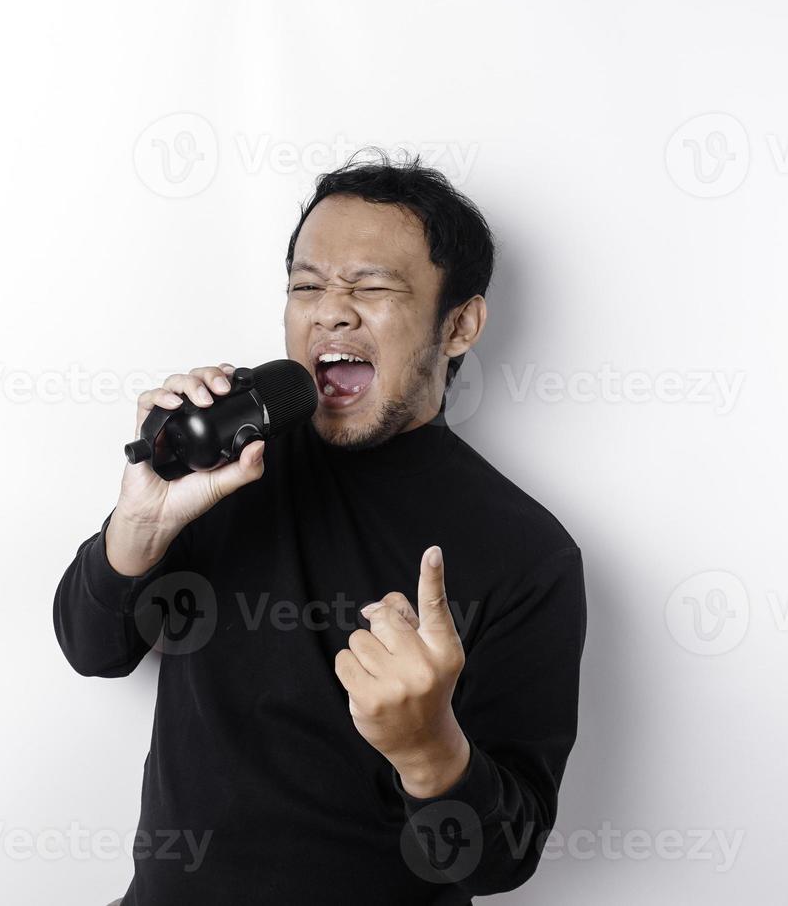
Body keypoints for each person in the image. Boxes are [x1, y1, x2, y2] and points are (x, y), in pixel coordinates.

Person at [54, 150, 586, 905]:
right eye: (306, 286)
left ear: (460, 323)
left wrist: (430, 750)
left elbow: (500, 862)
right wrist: (139, 523)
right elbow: (93, 648)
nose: (328, 310)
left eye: (371, 288)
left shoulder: (529, 553)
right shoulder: (229, 467)